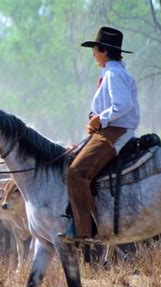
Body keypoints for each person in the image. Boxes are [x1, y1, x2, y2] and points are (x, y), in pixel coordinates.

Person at [59, 26, 140, 243]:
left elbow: (123, 105)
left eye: (94, 50)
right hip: (107, 130)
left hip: (114, 132)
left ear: (103, 51)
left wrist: (100, 119)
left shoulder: (113, 73)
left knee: (76, 173)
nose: (93, 55)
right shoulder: (113, 72)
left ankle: (83, 230)